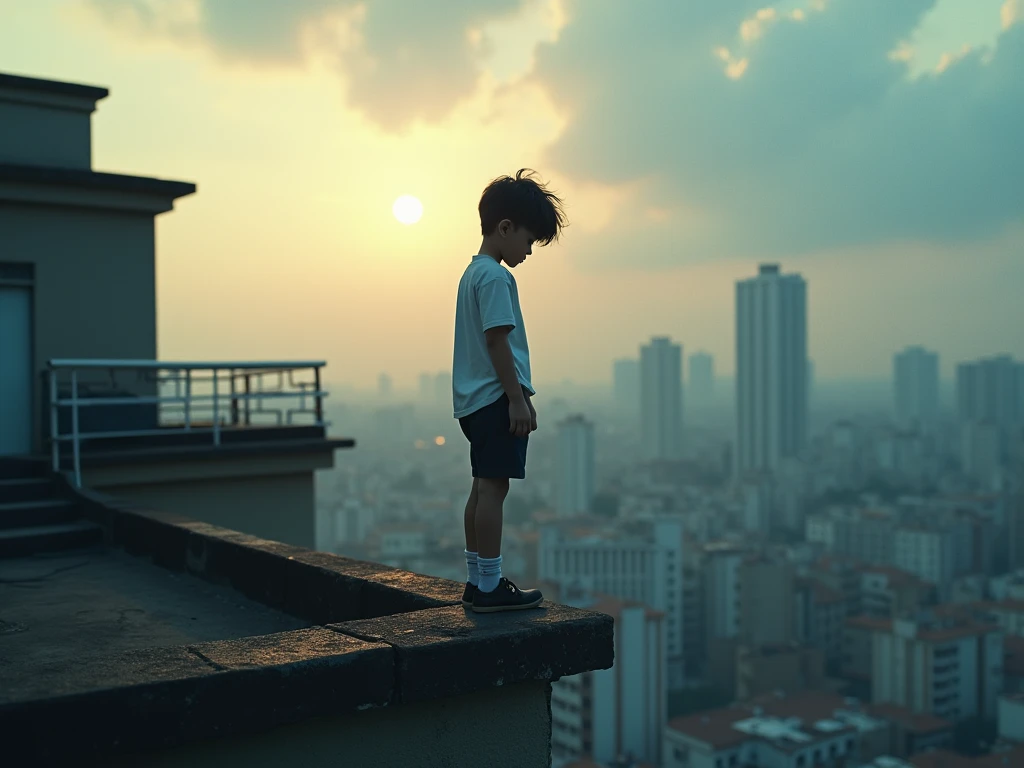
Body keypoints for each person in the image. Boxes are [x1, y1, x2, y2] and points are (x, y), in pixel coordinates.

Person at [453, 169, 566, 613]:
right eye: (528, 240)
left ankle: (475, 579)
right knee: (494, 490)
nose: (528, 251)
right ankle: (489, 586)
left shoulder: (472, 274)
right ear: (505, 228)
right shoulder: (496, 278)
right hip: (494, 398)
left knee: (481, 488)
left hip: (473, 401)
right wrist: (517, 397)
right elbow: (498, 340)